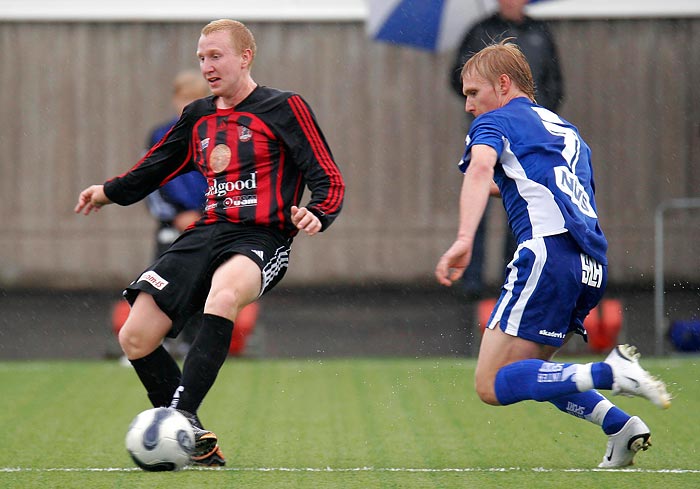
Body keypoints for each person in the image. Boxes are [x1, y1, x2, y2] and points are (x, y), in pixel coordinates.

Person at [75, 19, 345, 467]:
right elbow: (155, 167)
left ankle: (177, 417)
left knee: (223, 296)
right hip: (206, 231)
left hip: (263, 235)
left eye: (216, 56)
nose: (207, 66)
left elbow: (327, 175)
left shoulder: (285, 107)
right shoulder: (199, 115)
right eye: (202, 58)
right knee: (135, 336)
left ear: (245, 57)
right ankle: (195, 440)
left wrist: (318, 212)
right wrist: (108, 191)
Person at [435, 40, 671, 468]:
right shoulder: (565, 130)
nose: (469, 105)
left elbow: (481, 170)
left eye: (473, 92)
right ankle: (620, 428)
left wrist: (465, 238)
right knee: (535, 377)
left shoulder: (495, 122)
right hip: (589, 265)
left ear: (503, 84)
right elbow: (532, 184)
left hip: (546, 257)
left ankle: (611, 371)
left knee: (491, 383)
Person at [449, 0, 564, 297]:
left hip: (529, 135)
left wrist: (536, 116)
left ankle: (513, 274)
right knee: (482, 197)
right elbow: (457, 77)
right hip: (494, 129)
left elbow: (554, 81)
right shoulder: (480, 31)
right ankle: (471, 277)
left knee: (522, 203)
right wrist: (482, 101)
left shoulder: (540, 32)